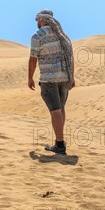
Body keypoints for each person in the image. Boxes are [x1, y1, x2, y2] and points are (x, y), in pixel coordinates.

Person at [28, 9, 75, 154]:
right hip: (64, 78)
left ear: (42, 20)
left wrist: (30, 78)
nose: (37, 22)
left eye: (37, 20)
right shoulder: (62, 36)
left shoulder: (38, 36)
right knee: (60, 110)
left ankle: (60, 145)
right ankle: (59, 140)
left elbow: (33, 60)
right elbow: (71, 57)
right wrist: (71, 77)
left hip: (49, 79)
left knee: (55, 111)